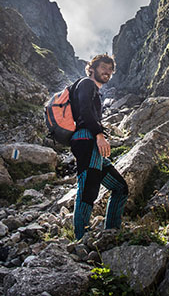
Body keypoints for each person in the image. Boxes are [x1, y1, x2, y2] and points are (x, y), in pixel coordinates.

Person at [70, 54, 128, 239]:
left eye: (111, 69)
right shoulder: (87, 83)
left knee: (120, 188)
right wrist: (99, 134)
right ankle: (81, 239)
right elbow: (86, 111)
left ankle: (112, 231)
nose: (108, 72)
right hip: (86, 138)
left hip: (92, 141)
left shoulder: (95, 89)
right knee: (88, 187)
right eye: (104, 67)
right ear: (92, 68)